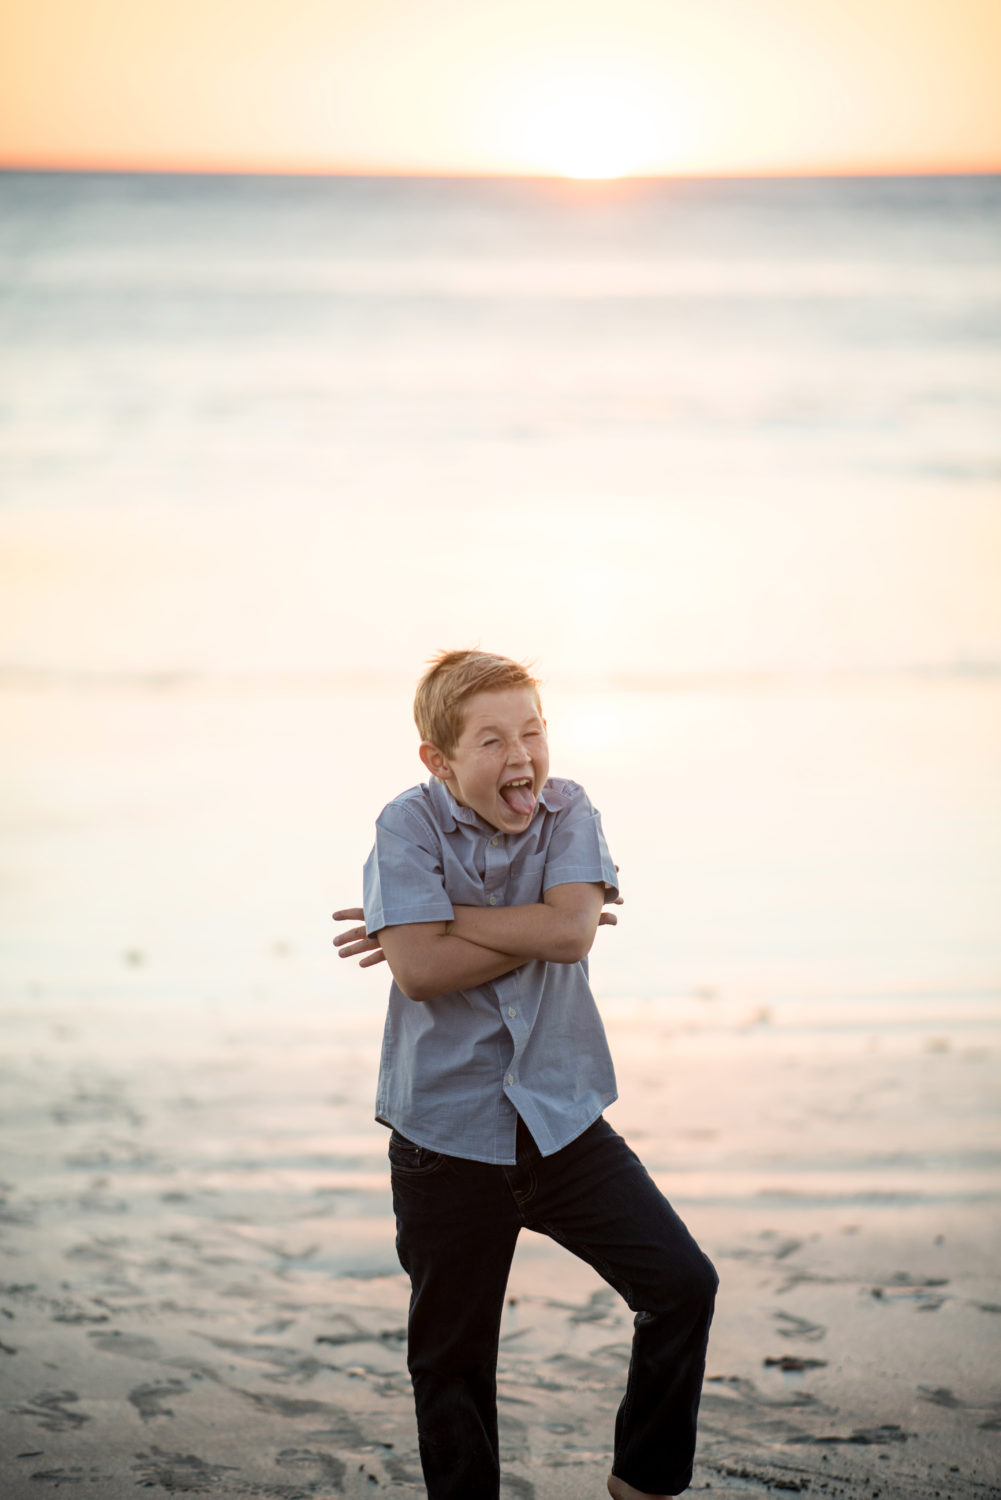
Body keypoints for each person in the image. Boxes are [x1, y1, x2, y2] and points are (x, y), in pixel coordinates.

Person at [332, 649, 717, 1500]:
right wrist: (506, 923)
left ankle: (643, 1485)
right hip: (444, 1137)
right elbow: (421, 974)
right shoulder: (406, 827)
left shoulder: (569, 808)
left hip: (560, 1121)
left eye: (533, 733)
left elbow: (571, 935)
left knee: (682, 1284)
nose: (522, 759)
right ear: (438, 759)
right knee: (451, 1362)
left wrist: (434, 918)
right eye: (492, 740)